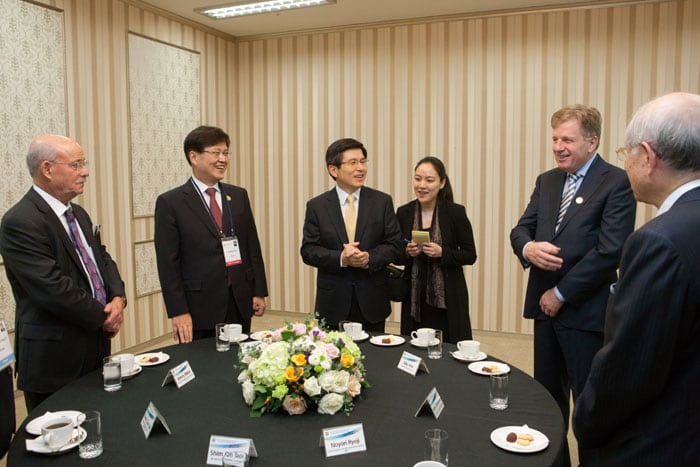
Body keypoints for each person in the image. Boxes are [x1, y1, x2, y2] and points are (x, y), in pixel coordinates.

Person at [573, 92, 700, 466]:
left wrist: (585, 420)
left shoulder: (658, 241)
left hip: (661, 442)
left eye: (625, 153)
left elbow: (628, 371)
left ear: (647, 156)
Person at [509, 105, 636, 465]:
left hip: (585, 313)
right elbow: (520, 229)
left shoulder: (616, 182)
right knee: (546, 400)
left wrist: (561, 293)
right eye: (554, 139)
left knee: (588, 403)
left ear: (592, 141)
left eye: (568, 139)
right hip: (545, 313)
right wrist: (528, 247)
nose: (558, 146)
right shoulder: (546, 181)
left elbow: (610, 251)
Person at [0, 135, 126, 412]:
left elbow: (102, 259)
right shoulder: (21, 221)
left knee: (94, 426)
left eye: (84, 163)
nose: (86, 172)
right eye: (77, 164)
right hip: (53, 359)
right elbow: (52, 288)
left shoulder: (78, 213)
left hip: (93, 348)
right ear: (47, 169)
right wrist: (104, 317)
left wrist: (118, 298)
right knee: (57, 441)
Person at [155, 126, 268, 343]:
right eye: (215, 152)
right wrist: (178, 311)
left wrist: (258, 291)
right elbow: (168, 264)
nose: (222, 159)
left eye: (225, 153)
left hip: (239, 299)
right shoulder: (171, 203)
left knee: (240, 361)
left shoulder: (238, 195)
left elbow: (251, 246)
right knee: (203, 366)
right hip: (199, 305)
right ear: (193, 157)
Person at [301, 138, 403, 332]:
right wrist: (341, 258)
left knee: (374, 358)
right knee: (333, 359)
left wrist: (368, 258)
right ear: (333, 170)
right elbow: (308, 250)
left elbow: (395, 244)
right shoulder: (317, 206)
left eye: (363, 161)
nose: (361, 168)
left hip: (372, 300)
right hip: (333, 302)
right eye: (353, 162)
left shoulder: (381, 202)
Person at [395, 157, 477, 343]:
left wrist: (443, 253)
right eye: (417, 179)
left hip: (448, 298)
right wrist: (407, 251)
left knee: (449, 350)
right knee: (414, 347)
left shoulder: (455, 212)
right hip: (414, 298)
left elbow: (470, 255)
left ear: (442, 183)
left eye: (429, 180)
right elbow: (395, 253)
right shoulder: (404, 212)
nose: (422, 185)